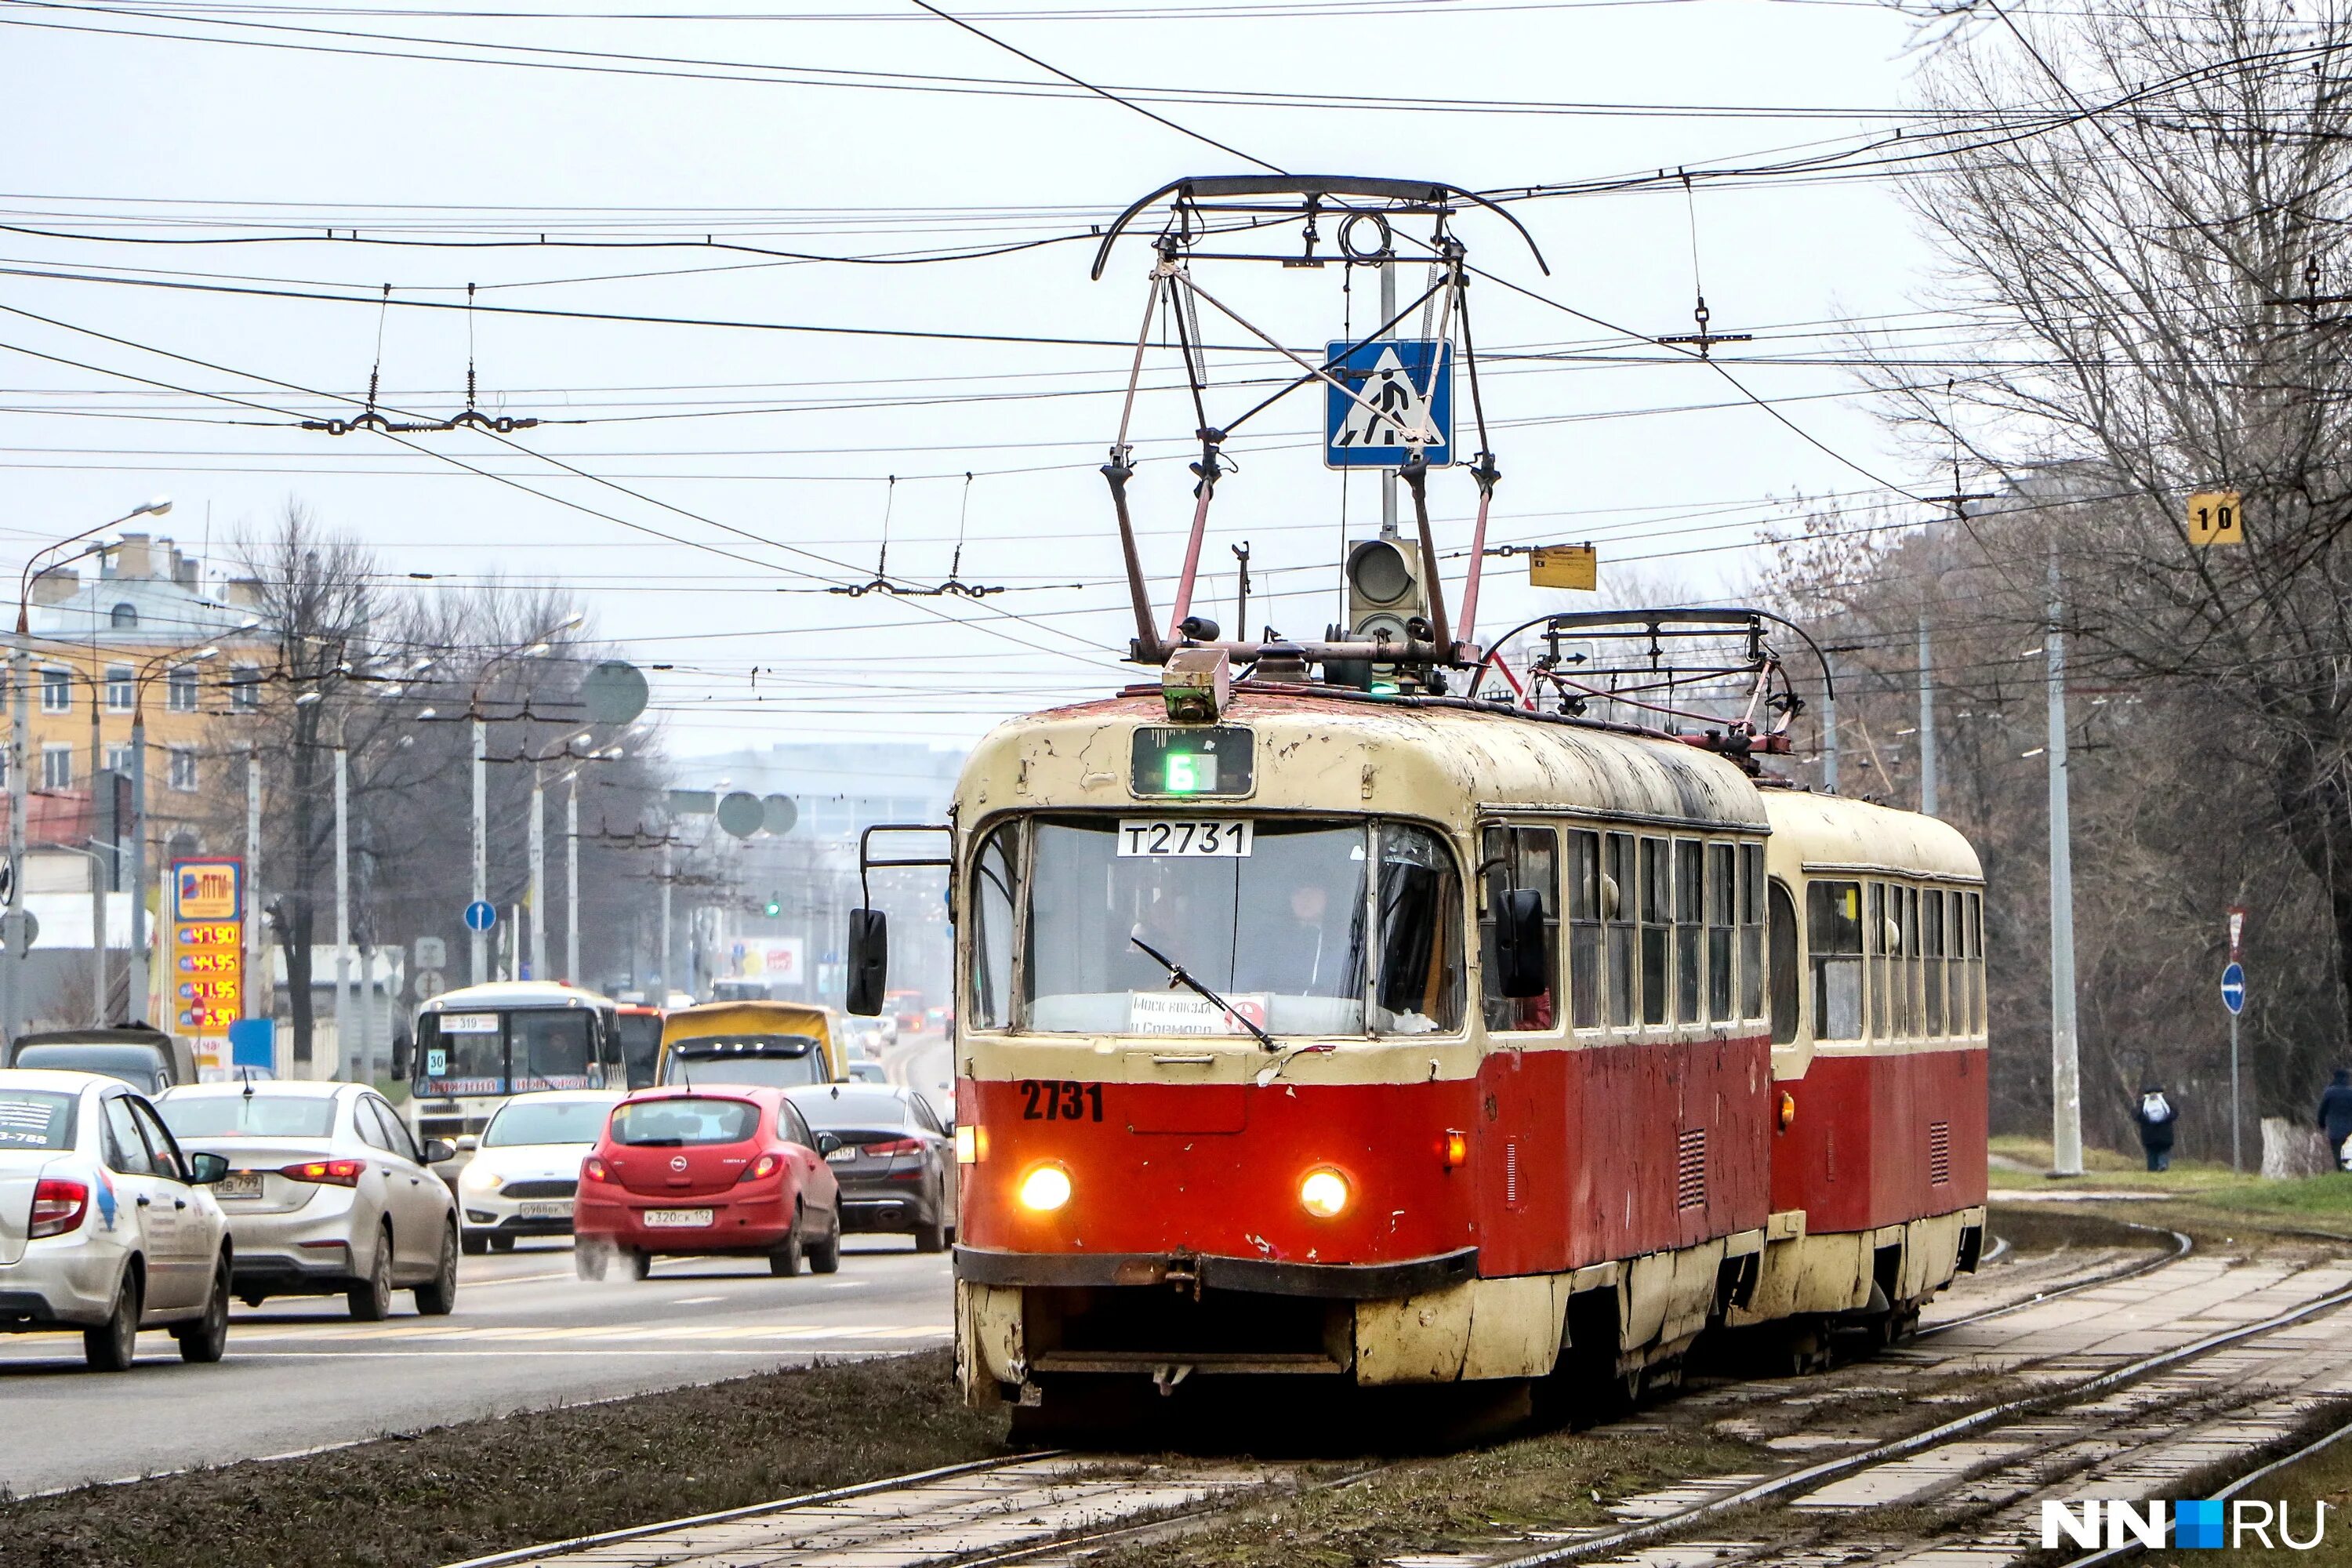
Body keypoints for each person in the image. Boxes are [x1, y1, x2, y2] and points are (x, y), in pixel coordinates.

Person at [2133, 1085, 2177, 1172]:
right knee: (2164, 1150)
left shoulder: (2142, 1103)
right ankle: (2163, 1165)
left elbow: (2136, 1115)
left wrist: (2147, 1121)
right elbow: (2175, 1113)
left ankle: (2152, 1170)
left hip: (2148, 1133)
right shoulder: (2167, 1102)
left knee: (2151, 1152)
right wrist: (2165, 1120)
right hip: (2165, 1132)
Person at [2318, 1069, 2352, 1173]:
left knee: (2337, 1151)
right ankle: (2349, 1169)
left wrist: (2322, 1124)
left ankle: (2341, 1170)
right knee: (2349, 1150)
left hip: (2335, 1128)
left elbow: (2322, 1109)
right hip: (2350, 1128)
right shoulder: (2350, 1092)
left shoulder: (2329, 1092)